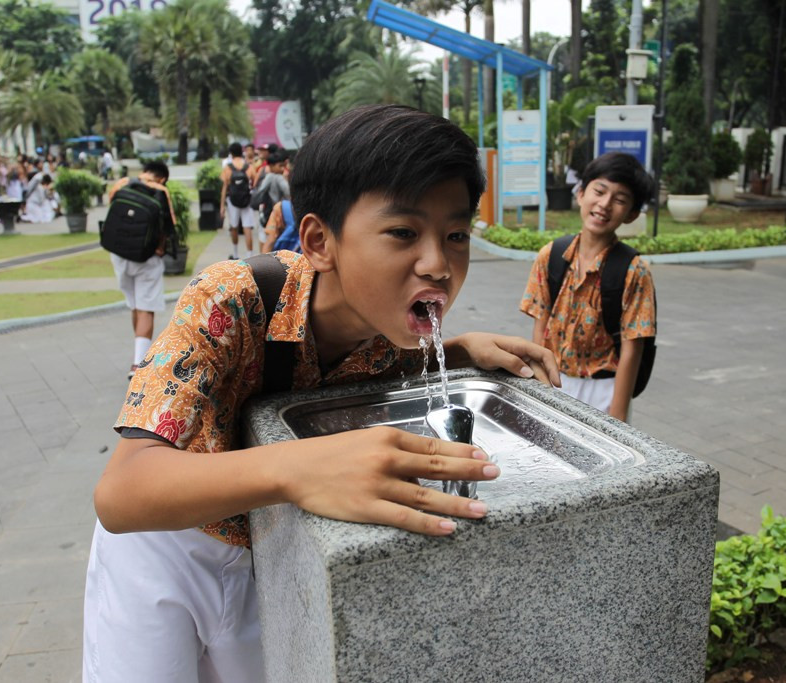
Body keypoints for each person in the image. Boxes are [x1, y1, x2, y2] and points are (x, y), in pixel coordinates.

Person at [83, 104, 560, 683]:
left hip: (269, 554)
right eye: (403, 232)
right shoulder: (231, 298)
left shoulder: (383, 335)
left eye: (455, 234)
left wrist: (460, 350)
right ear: (318, 240)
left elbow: (396, 362)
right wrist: (299, 467)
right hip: (166, 548)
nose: (437, 264)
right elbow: (122, 492)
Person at [520, 152, 657, 423]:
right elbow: (541, 326)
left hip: (604, 388)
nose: (605, 204)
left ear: (630, 214)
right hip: (554, 379)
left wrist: (618, 413)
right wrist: (538, 386)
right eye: (599, 191)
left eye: (619, 200)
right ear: (581, 193)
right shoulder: (551, 256)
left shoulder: (634, 269)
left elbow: (633, 348)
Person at [106, 160, 176, 380]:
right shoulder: (161, 190)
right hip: (147, 257)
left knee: (135, 304)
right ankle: (138, 363)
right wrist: (161, 248)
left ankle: (138, 353)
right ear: (162, 177)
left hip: (119, 254)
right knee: (146, 307)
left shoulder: (122, 183)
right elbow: (169, 226)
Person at [219, 141, 260, 259]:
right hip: (246, 200)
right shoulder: (248, 166)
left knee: (234, 226)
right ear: (241, 152)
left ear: (231, 154)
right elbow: (255, 180)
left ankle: (236, 253)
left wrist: (222, 206)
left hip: (232, 201)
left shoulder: (228, 168)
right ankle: (250, 255)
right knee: (247, 227)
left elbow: (224, 187)